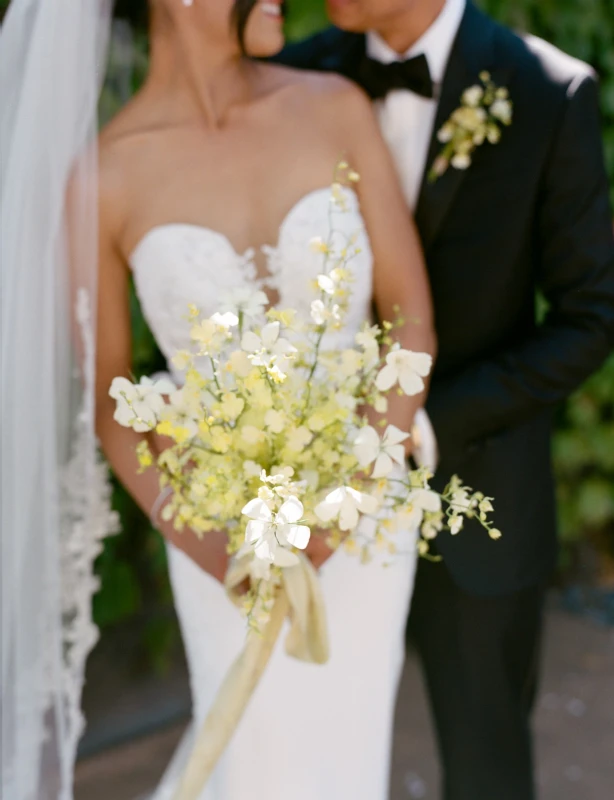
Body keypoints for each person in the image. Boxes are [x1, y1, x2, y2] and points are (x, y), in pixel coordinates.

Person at [92, 1, 436, 799]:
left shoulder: (333, 108)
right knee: (256, 766)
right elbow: (112, 401)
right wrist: (225, 553)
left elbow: (409, 321)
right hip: (221, 541)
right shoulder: (105, 175)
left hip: (368, 523)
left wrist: (345, 499)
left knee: (347, 763)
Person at [277, 1, 614, 798]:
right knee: (309, 759)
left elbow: (590, 317)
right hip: (315, 509)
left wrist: (420, 424)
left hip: (477, 504)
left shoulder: (547, 92)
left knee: (485, 770)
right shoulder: (296, 75)